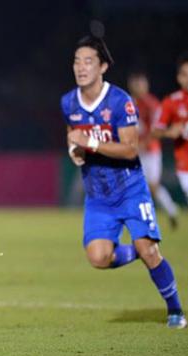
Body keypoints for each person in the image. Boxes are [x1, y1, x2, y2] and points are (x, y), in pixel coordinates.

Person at [63, 37, 185, 328]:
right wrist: (74, 152)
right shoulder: (68, 101)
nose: (81, 66)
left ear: (103, 66)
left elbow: (130, 149)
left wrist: (89, 142)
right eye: (77, 61)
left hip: (129, 189)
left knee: (151, 252)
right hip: (98, 194)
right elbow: (73, 135)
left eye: (88, 61)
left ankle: (175, 310)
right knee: (98, 257)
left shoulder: (120, 101)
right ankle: (139, 250)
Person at [127, 71, 179, 229]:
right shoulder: (128, 103)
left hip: (151, 151)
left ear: (146, 85)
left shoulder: (152, 104)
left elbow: (157, 130)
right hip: (134, 151)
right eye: (135, 84)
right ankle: (133, 220)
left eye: (141, 83)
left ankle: (171, 210)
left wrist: (144, 143)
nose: (138, 87)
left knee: (153, 186)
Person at [154, 52, 188, 203]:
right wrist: (170, 131)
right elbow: (155, 131)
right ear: (179, 78)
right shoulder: (171, 102)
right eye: (186, 75)